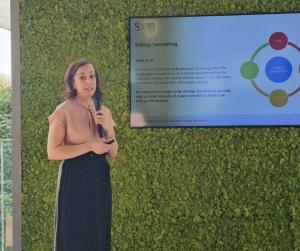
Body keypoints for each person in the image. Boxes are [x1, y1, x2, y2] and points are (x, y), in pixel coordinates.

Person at [47, 59, 118, 251]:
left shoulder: (104, 110)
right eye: (83, 77)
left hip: (99, 177)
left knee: (99, 232)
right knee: (73, 233)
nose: (89, 82)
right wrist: (89, 146)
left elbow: (113, 152)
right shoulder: (63, 111)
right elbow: (52, 152)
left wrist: (110, 131)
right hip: (74, 178)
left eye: (92, 76)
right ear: (73, 83)